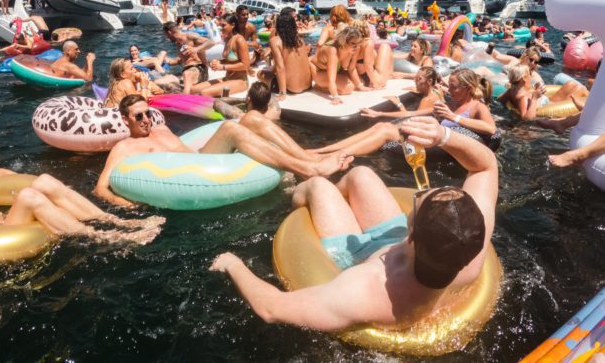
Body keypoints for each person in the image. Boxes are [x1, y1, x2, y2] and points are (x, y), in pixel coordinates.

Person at [210, 116, 497, 336]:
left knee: (319, 187)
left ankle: (296, 190)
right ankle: (335, 184)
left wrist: (232, 263)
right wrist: (444, 135)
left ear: (413, 236)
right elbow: (485, 167)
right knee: (361, 173)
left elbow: (271, 308)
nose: (419, 192)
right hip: (395, 249)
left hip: (359, 262)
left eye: (418, 201)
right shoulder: (468, 248)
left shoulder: (364, 292)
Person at [0, 140, 164, 322]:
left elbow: (11, 176)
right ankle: (108, 237)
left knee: (42, 181)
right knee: (29, 196)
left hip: (10, 226)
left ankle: (116, 221)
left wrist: (44, 193)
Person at [94, 95, 355, 207]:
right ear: (125, 120)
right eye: (138, 116)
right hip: (193, 174)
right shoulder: (124, 147)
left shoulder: (160, 130)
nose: (145, 119)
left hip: (202, 160)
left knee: (252, 117)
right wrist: (126, 206)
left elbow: (189, 143)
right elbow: (100, 188)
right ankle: (308, 169)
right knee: (231, 129)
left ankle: (307, 156)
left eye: (147, 113)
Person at [432, 68, 498, 147]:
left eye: (453, 87)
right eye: (449, 85)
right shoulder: (448, 105)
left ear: (468, 88)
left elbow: (491, 129)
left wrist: (454, 117)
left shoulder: (478, 107)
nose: (449, 90)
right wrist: (436, 117)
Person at [310, 25, 371, 104]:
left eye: (358, 43)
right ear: (344, 41)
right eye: (353, 43)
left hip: (334, 70)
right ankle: (319, 87)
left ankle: (324, 86)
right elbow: (331, 79)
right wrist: (335, 97)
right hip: (318, 70)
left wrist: (360, 86)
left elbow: (351, 68)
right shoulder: (332, 50)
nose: (356, 46)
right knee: (349, 88)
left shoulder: (354, 48)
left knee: (361, 82)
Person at [261, 11, 312, 99]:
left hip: (292, 89)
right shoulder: (300, 40)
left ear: (278, 27)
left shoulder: (276, 41)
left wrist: (283, 92)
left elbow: (280, 68)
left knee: (260, 74)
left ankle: (283, 89)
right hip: (308, 86)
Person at [163, 22, 215, 94]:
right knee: (162, 82)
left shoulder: (189, 36)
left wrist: (197, 49)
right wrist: (169, 61)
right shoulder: (178, 43)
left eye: (166, 35)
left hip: (199, 68)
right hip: (188, 70)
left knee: (187, 74)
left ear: (169, 32)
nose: (167, 38)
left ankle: (185, 100)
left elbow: (211, 42)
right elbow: (184, 60)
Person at [353, 19, 394, 88]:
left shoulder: (353, 44)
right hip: (371, 79)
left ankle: (390, 74)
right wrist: (375, 83)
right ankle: (390, 74)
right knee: (385, 46)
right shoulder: (368, 42)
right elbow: (368, 65)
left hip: (362, 76)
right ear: (365, 29)